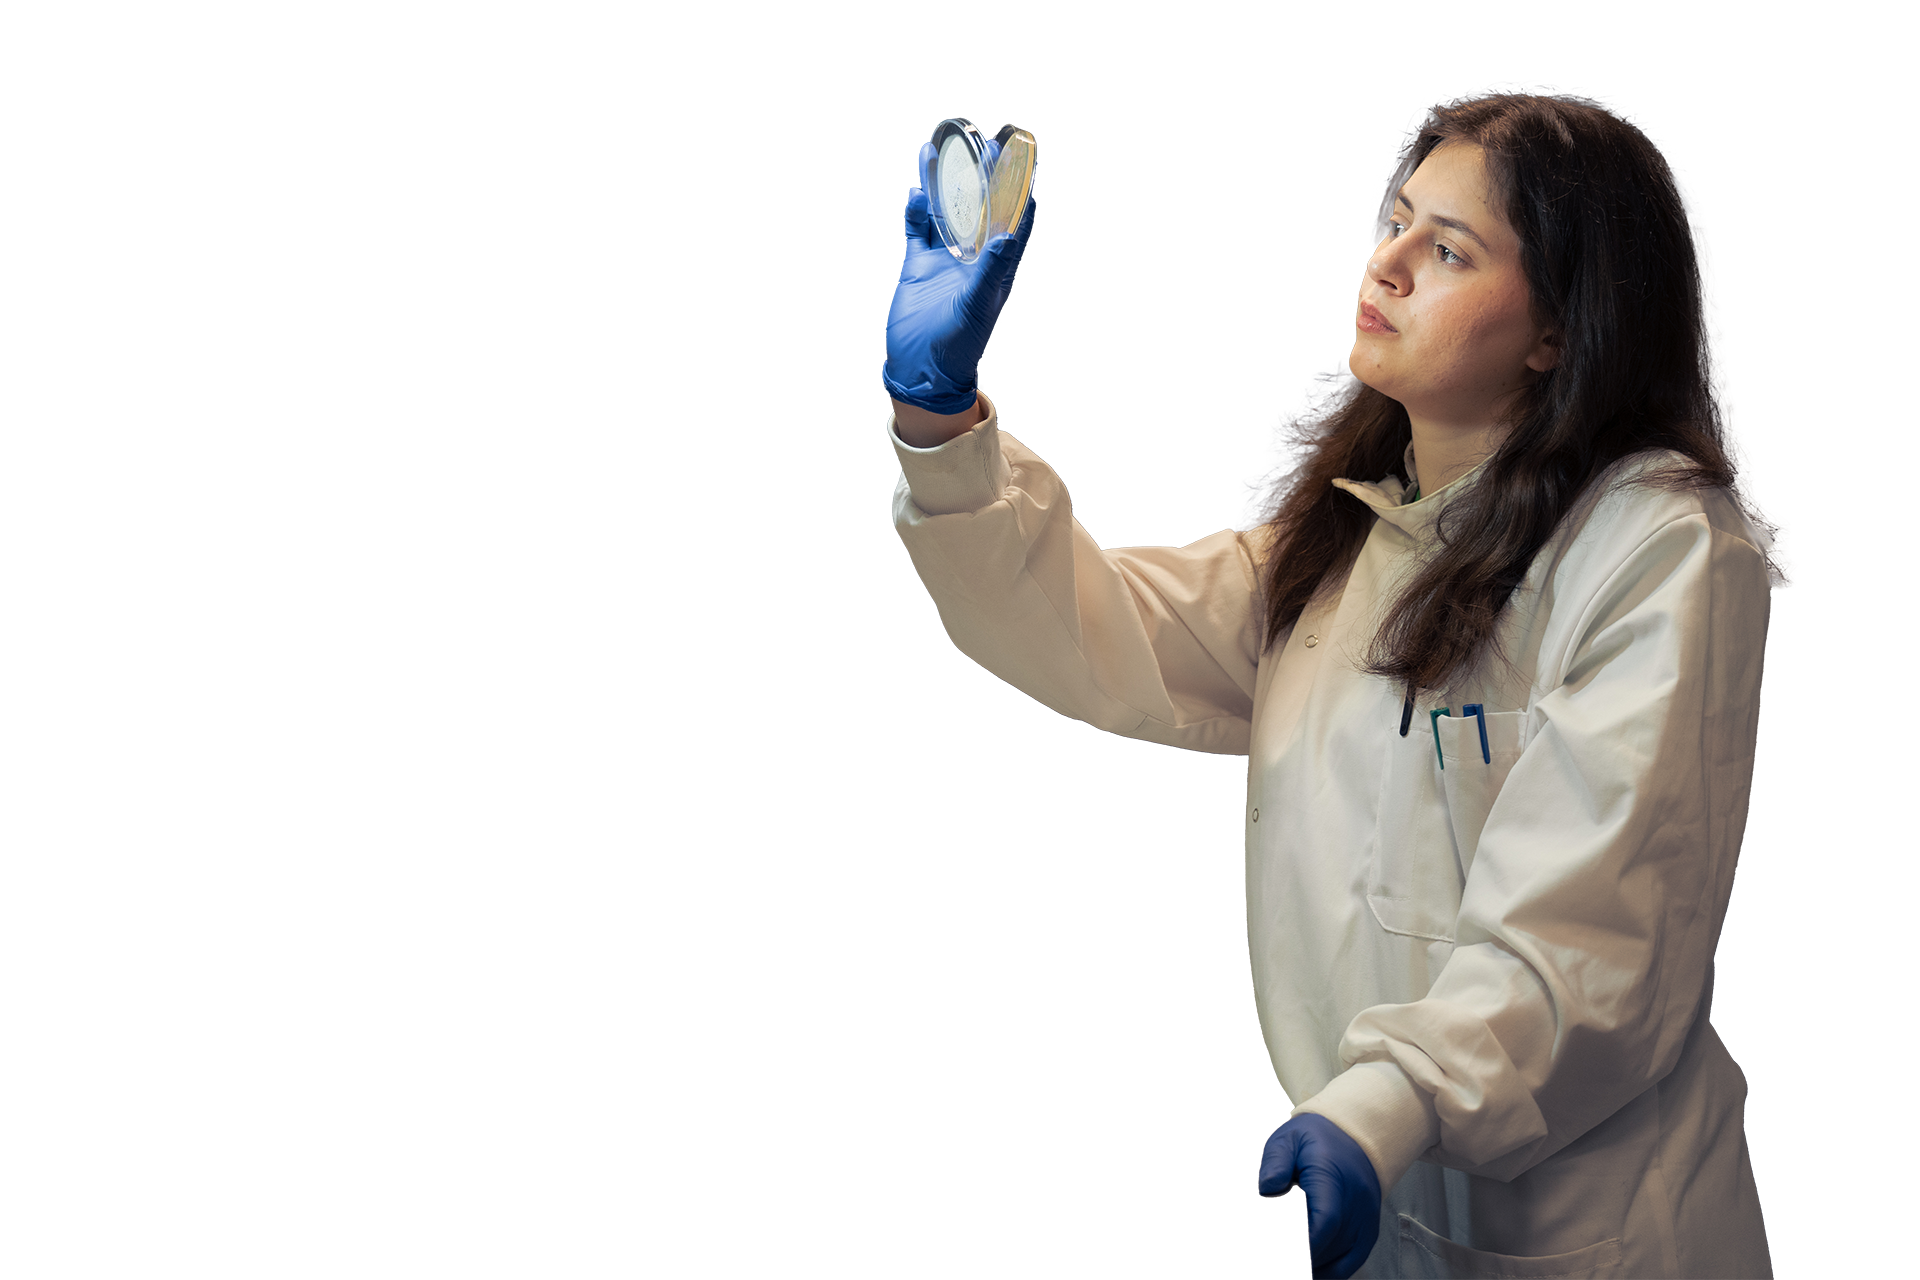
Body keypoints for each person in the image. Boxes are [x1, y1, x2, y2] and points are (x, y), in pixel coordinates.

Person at [883, 93, 1780, 1279]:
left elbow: (1596, 927)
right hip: (1375, 1200)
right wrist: (939, 419)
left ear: (1560, 330)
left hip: (1594, 1237)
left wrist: (1387, 1103)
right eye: (1397, 223)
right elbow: (1090, 625)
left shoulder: (1657, 544)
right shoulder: (1357, 541)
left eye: (1449, 249)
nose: (1388, 264)